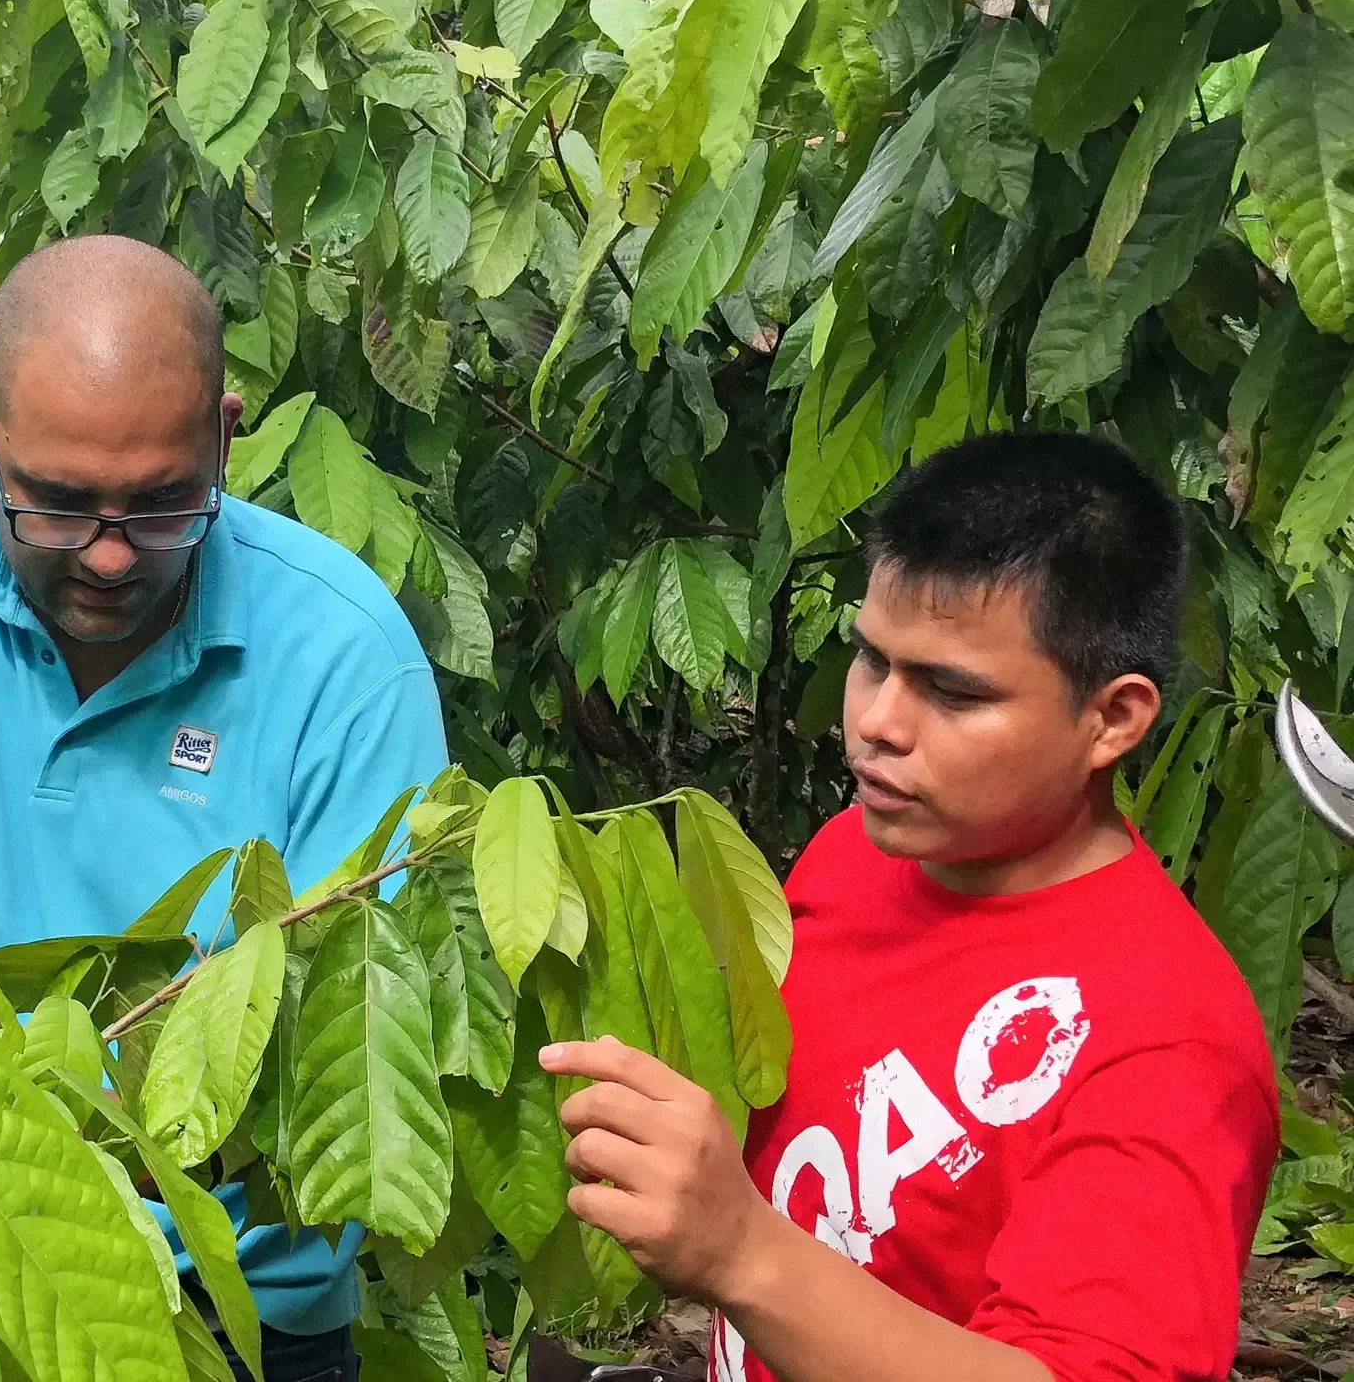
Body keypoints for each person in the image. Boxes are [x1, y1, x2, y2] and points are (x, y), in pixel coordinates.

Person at [543, 432, 1279, 1382]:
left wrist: (740, 1253)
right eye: (873, 661)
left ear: (1113, 719)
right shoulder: (854, 854)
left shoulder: (1167, 1044)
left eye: (952, 691)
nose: (879, 722)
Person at [0, 235, 447, 1382]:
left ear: (223, 439)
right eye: (59, 508)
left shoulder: (343, 663)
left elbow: (339, 1097)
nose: (113, 559)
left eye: (165, 506)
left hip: (216, 1321)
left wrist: (51, 1246)